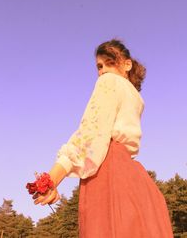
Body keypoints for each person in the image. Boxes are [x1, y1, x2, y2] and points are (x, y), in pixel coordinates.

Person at [33, 39, 173, 237]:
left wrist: (51, 180)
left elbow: (90, 135)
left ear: (127, 64)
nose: (103, 71)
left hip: (110, 174)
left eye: (110, 62)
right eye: (99, 66)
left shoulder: (108, 82)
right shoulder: (136, 98)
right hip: (139, 183)